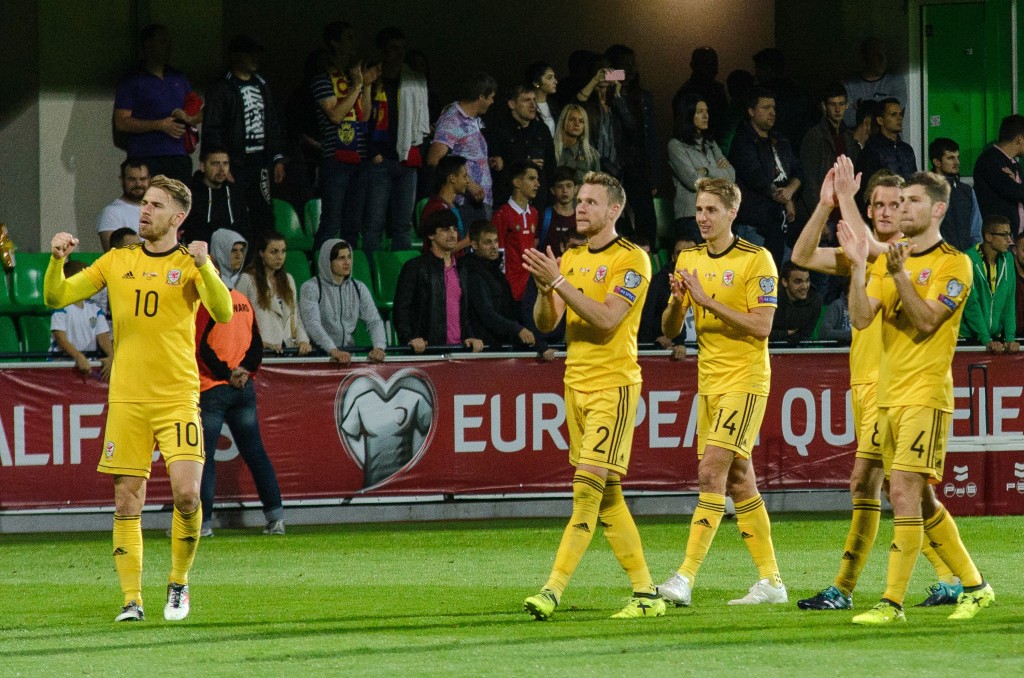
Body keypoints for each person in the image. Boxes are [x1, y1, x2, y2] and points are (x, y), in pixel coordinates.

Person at [42, 175, 233, 622]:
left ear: (178, 217)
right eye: (144, 203)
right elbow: (56, 295)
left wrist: (205, 266)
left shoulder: (191, 264)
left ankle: (179, 582)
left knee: (187, 495)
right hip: (128, 399)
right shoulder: (117, 260)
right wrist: (56, 261)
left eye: (156, 205)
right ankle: (132, 599)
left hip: (177, 397)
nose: (145, 211)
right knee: (127, 500)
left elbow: (223, 312)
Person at [792, 160, 966, 610]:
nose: (890, 211)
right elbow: (803, 257)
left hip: (895, 385)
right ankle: (955, 577)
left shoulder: (897, 256)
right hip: (868, 384)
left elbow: (875, 251)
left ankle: (850, 588)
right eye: (881, 204)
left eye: (898, 203)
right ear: (869, 211)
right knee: (895, 489)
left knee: (878, 484)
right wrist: (825, 205)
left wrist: (847, 200)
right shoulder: (867, 256)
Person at [840, 171, 995, 624]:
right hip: (887, 396)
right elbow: (861, 318)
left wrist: (899, 274)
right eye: (900, 200)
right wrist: (858, 267)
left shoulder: (955, 264)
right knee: (920, 498)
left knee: (905, 490)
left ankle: (891, 602)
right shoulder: (892, 258)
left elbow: (927, 321)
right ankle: (976, 586)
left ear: (938, 209)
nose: (902, 208)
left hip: (925, 394)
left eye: (911, 201)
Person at [521, 171, 664, 620]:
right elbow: (547, 324)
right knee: (608, 496)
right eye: (579, 201)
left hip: (612, 387)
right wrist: (545, 287)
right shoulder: (572, 257)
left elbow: (606, 320)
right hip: (575, 383)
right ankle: (647, 593)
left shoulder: (633, 260)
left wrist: (559, 283)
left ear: (614, 210)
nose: (580, 208)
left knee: (586, 491)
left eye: (590, 202)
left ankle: (552, 589)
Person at [658, 177, 786, 608]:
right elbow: (670, 330)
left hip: (745, 381)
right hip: (709, 382)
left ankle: (684, 578)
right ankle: (772, 582)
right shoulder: (688, 258)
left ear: (733, 213)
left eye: (711, 210)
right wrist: (677, 301)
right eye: (699, 209)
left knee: (710, 472)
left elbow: (762, 326)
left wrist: (707, 300)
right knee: (737, 478)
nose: (702, 217)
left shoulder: (757, 259)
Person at [196, 277, 285, 537]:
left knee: (204, 458)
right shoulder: (242, 300)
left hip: (212, 388)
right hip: (243, 388)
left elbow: (201, 348)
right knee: (256, 453)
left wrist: (227, 374)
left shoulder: (207, 303)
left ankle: (202, 525)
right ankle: (276, 518)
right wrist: (244, 371)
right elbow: (256, 344)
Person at [201, 34, 286, 238]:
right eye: (249, 54)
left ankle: (263, 254)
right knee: (234, 212)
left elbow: (272, 123)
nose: (255, 58)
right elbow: (212, 127)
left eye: (256, 54)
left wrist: (277, 158)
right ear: (235, 56)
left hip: (260, 162)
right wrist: (223, 164)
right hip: (235, 162)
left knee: (264, 213)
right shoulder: (222, 87)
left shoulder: (262, 84)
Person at [363, 27, 431, 261]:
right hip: (380, 159)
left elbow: (420, 122)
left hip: (406, 158)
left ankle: (402, 273)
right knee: (374, 223)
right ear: (382, 51)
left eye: (402, 48)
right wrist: (373, 153)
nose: (399, 53)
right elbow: (362, 119)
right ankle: (372, 272)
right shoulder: (372, 79)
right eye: (393, 48)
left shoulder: (414, 80)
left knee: (403, 225)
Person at [310, 21, 374, 253]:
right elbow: (336, 115)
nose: (354, 43)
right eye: (349, 38)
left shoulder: (353, 78)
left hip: (359, 159)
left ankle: (349, 268)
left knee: (353, 224)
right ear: (334, 43)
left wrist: (366, 86)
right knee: (331, 221)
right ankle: (319, 267)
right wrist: (357, 86)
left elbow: (365, 116)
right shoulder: (322, 79)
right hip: (335, 160)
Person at [113, 25, 201, 184]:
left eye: (168, 41)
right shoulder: (132, 79)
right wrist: (159, 125)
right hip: (146, 157)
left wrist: (189, 118)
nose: (168, 46)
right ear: (148, 45)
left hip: (179, 156)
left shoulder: (178, 77)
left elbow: (198, 110)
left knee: (180, 199)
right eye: (162, 41)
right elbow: (121, 122)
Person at [729, 87, 803, 267]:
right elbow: (755, 176)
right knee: (758, 274)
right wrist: (785, 198)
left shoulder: (780, 140)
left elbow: (799, 170)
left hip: (782, 222)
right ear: (751, 111)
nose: (772, 113)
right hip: (755, 222)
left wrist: (790, 191)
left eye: (774, 108)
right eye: (765, 108)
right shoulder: (743, 140)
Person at [392, 210, 483, 353]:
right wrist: (409, 339)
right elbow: (401, 310)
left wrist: (470, 336)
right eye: (445, 230)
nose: (452, 234)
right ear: (431, 235)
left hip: (459, 350)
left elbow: (465, 312)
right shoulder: (415, 267)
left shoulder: (462, 269)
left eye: (454, 229)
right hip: (427, 351)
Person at [299, 239, 387, 365]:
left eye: (349, 257)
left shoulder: (358, 288)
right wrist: (332, 350)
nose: (347, 262)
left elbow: (374, 321)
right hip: (319, 356)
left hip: (348, 355)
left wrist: (379, 347)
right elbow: (312, 324)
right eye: (341, 258)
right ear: (327, 262)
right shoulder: (311, 287)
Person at [427, 73, 498, 223]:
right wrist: (469, 183)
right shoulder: (452, 120)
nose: (492, 102)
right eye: (491, 97)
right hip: (463, 203)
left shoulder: (475, 120)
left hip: (480, 202)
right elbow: (434, 159)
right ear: (481, 96)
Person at [668, 93, 734, 242]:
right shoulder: (676, 145)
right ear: (688, 115)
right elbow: (693, 181)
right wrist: (718, 172)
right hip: (691, 217)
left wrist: (706, 170)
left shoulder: (710, 143)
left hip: (715, 214)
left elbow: (731, 175)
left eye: (706, 111)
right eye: (700, 112)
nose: (706, 116)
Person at [462, 220, 536, 350]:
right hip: (485, 347)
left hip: (501, 343)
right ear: (474, 245)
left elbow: (509, 309)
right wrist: (517, 329)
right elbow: (487, 314)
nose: (494, 246)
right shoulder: (473, 274)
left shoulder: (496, 271)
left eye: (495, 241)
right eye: (487, 242)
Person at [236, 234, 312, 355]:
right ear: (261, 253)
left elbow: (295, 317)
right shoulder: (247, 279)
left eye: (283, 251)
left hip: (287, 351)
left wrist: (303, 340)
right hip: (261, 352)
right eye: (274, 252)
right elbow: (238, 320)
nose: (280, 257)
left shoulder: (288, 279)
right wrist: (257, 343)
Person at [485, 82, 556, 209]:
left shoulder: (542, 129)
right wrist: (526, 164)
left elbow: (551, 167)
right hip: (508, 202)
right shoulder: (498, 131)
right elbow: (495, 168)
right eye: (526, 100)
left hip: (538, 203)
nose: (533, 105)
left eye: (534, 100)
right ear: (512, 104)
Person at [960, 215, 1019, 352]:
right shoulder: (966, 260)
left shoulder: (1008, 260)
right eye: (1004, 235)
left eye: (1009, 234)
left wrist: (1010, 338)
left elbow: (1009, 302)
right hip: (966, 340)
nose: (1009, 240)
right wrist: (986, 339)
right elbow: (971, 304)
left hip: (993, 339)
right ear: (988, 237)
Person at [800, 83, 858, 221]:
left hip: (844, 211)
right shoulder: (814, 137)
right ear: (824, 106)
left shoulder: (848, 136)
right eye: (832, 104)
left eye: (841, 104)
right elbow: (809, 181)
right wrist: (819, 217)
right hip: (826, 211)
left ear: (847, 105)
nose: (837, 109)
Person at [49, 260, 113, 378]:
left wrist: (111, 356)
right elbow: (60, 337)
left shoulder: (95, 309)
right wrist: (78, 357)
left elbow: (103, 337)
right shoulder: (60, 306)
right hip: (61, 367)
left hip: (88, 366)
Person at [181, 146, 252, 248]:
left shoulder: (236, 193)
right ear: (203, 166)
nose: (222, 169)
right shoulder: (190, 195)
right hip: (200, 255)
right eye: (215, 164)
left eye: (225, 163)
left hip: (234, 255)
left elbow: (246, 229)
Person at [491, 160, 540, 303]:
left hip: (529, 287)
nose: (537, 184)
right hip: (509, 288)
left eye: (537, 179)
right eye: (532, 179)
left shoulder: (534, 213)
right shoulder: (502, 215)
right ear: (517, 182)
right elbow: (498, 251)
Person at [639, 237, 696, 356]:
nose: (685, 257)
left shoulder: (710, 279)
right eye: (680, 253)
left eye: (690, 252)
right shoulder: (658, 282)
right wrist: (656, 339)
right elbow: (647, 316)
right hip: (673, 349)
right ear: (673, 257)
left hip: (704, 346)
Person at [972, 114, 1024, 237]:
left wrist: (1017, 185)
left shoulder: (1014, 164)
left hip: (1015, 237)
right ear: (1020, 139)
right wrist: (1016, 186)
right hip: (998, 237)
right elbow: (1014, 191)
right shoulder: (990, 160)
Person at [842, 37, 908, 130]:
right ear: (865, 58)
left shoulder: (896, 81)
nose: (882, 59)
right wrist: (882, 110)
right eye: (876, 55)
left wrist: (861, 105)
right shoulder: (850, 84)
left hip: (888, 139)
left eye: (884, 54)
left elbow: (896, 109)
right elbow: (848, 119)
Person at [929, 138, 982, 251]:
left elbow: (976, 232)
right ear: (937, 162)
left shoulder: (967, 191)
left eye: (958, 157)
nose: (957, 162)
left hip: (965, 256)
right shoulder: (925, 191)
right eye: (951, 158)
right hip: (937, 257)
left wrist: (975, 255)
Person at [672, 47, 730, 145]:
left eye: (713, 63)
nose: (710, 68)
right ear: (693, 66)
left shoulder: (717, 89)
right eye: (705, 63)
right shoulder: (687, 93)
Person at [854, 98, 916, 187]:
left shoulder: (907, 150)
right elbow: (866, 187)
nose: (899, 118)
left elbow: (915, 181)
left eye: (900, 114)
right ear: (880, 120)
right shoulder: (871, 151)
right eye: (893, 114)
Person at [97, 160, 149, 251]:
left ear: (149, 180)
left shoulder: (157, 210)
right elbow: (112, 254)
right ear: (122, 180)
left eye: (143, 179)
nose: (138, 184)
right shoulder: (111, 212)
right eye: (132, 179)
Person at [421, 154, 469, 251]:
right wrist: (466, 241)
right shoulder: (436, 208)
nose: (467, 181)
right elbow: (437, 251)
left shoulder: (453, 206)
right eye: (464, 176)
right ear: (452, 178)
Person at [770, 261, 822, 344]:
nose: (804, 286)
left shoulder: (815, 300)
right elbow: (761, 331)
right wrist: (785, 333)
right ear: (784, 282)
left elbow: (805, 335)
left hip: (796, 348)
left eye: (807, 280)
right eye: (798, 282)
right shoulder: (771, 298)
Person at [553, 104, 601, 185]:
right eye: (572, 119)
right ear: (563, 121)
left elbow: (596, 186)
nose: (577, 124)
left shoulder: (592, 155)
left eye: (581, 121)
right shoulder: (551, 149)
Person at [537, 166, 578, 253]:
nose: (565, 190)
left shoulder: (581, 218)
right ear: (552, 190)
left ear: (575, 189)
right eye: (559, 186)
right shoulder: (544, 216)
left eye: (569, 186)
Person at [526, 62, 560, 137]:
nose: (555, 81)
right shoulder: (527, 106)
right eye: (549, 78)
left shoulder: (554, 105)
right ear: (536, 83)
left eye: (554, 77)